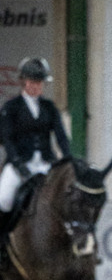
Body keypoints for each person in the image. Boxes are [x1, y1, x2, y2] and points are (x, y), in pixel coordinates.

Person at [0, 57, 73, 241]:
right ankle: (2, 242)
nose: (36, 86)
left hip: (46, 164)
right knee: (4, 199)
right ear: (23, 81)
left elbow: (61, 136)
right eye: (32, 82)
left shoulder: (49, 107)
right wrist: (17, 163)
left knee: (68, 197)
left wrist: (68, 160)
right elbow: (7, 139)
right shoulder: (11, 107)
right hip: (20, 164)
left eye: (39, 83)